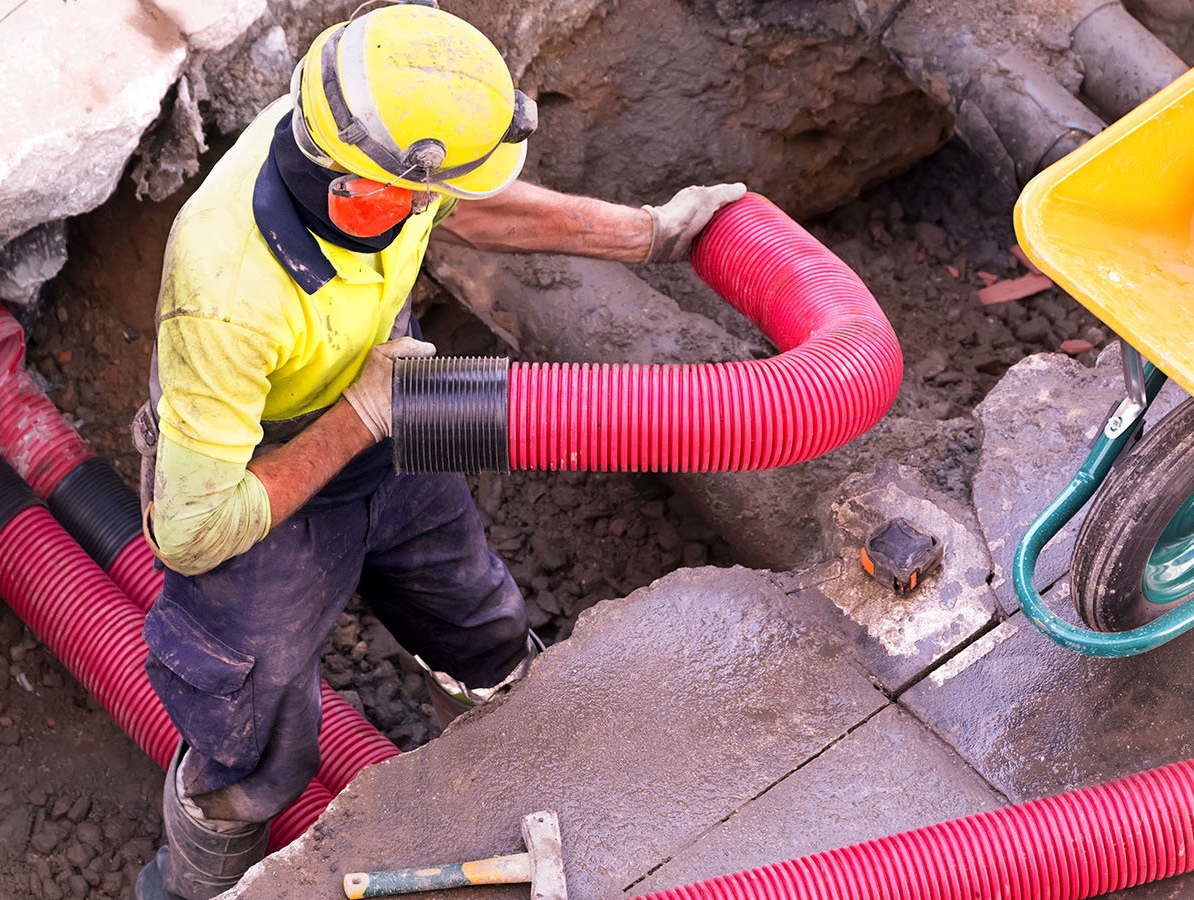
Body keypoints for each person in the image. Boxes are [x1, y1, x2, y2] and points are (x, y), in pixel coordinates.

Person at [130, 3, 744, 897]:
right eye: (428, 193)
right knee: (252, 733)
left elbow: (472, 207)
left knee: (481, 624)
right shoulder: (225, 289)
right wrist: (359, 417)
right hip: (254, 479)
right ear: (369, 190)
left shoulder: (362, 151)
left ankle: (502, 779)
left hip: (387, 405)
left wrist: (650, 232)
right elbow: (190, 532)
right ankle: (195, 887)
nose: (440, 204)